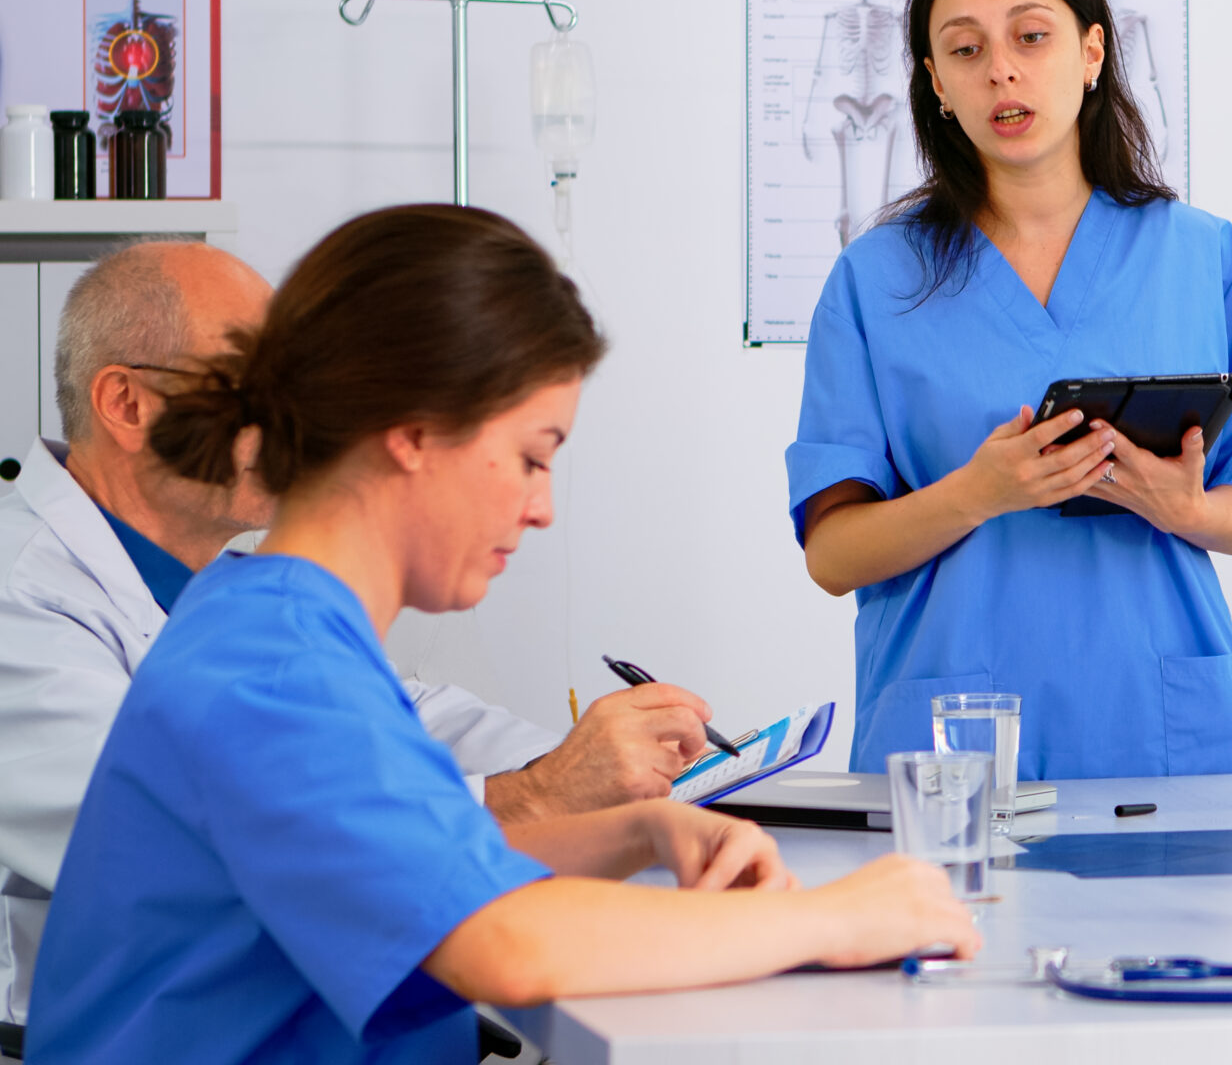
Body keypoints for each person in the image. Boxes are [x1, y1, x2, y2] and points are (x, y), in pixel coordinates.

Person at [27, 207, 976, 1064]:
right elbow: (507, 945)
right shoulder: (273, 669)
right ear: (411, 432)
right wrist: (839, 919)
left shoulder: (279, 625)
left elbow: (425, 867)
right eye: (531, 457)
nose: (542, 507)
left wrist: (639, 831)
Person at [0, 240, 717, 1027]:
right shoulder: (22, 593)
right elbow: (225, 847)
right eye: (252, 387)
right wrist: (548, 795)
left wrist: (592, 778)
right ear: (127, 404)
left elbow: (391, 723)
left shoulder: (228, 582)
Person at [790, 0, 1232, 778]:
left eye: (1031, 36)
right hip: (954, 740)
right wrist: (978, 493)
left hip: (1161, 726)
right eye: (965, 49)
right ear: (936, 83)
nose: (1000, 69)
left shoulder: (1202, 257)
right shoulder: (874, 279)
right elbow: (832, 556)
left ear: (1092, 52)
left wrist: (1182, 508)